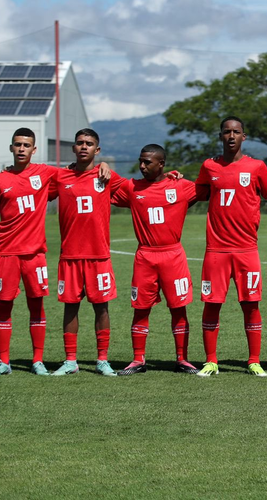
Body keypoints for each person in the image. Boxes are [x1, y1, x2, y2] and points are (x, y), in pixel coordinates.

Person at [195, 116, 267, 377]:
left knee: (251, 304)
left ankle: (254, 361)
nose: (231, 136)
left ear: (244, 137)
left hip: (247, 250)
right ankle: (211, 361)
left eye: (236, 132)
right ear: (221, 136)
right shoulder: (208, 166)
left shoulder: (257, 167)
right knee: (212, 304)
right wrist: (169, 180)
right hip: (216, 250)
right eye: (227, 132)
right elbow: (195, 194)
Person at [112, 144, 201, 375]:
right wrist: (102, 165)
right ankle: (137, 360)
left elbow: (209, 188)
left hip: (173, 255)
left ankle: (182, 359)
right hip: (145, 256)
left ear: (161, 164)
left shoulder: (180, 186)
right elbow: (102, 189)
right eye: (140, 161)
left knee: (178, 308)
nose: (142, 166)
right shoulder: (131, 188)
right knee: (140, 308)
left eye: (147, 162)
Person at [0, 128, 58, 376]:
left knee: (36, 305)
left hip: (35, 254)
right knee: (4, 306)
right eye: (18, 144)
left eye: (27, 145)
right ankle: (4, 362)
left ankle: (38, 361)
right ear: (11, 148)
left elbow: (76, 173)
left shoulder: (45, 173)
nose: (22, 148)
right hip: (5, 253)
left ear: (34, 149)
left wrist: (101, 165)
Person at [52, 129, 124, 377]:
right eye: (80, 143)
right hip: (70, 256)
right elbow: (33, 187)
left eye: (89, 143)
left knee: (101, 308)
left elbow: (140, 186)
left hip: (98, 256)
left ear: (97, 150)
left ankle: (102, 360)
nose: (84, 147)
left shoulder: (107, 176)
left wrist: (168, 177)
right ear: (73, 148)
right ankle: (70, 360)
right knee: (70, 308)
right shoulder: (60, 177)